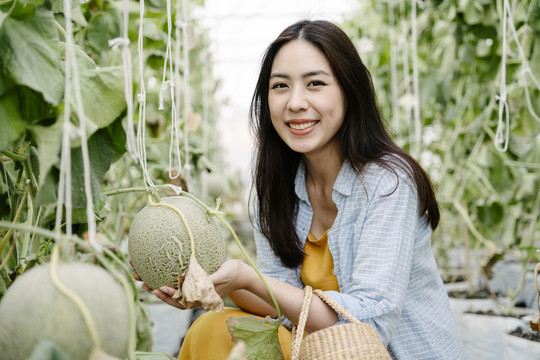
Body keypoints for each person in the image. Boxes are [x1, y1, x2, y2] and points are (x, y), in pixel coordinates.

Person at [133, 19, 465, 359]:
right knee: (212, 328)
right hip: (317, 351)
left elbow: (368, 324)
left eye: (315, 83)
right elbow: (281, 305)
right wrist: (215, 284)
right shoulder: (276, 186)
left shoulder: (389, 183)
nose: (295, 102)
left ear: (349, 92)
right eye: (280, 86)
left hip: (386, 353)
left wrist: (248, 276)